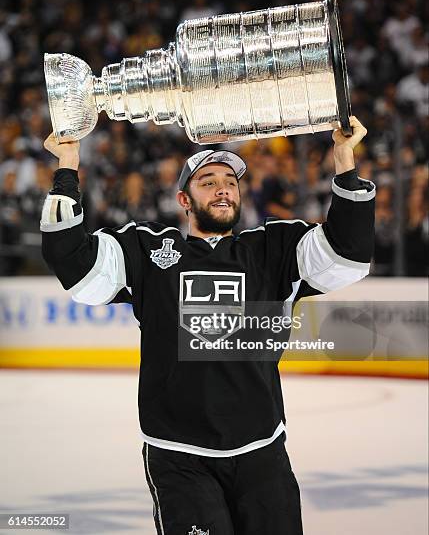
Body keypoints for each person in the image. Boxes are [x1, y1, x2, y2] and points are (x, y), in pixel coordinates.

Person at [41, 116, 375, 535]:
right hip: (179, 458)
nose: (222, 188)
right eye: (208, 181)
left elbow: (348, 255)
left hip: (261, 452)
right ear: (184, 199)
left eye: (230, 182)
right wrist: (67, 168)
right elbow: (74, 263)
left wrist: (345, 161)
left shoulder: (273, 250)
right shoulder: (149, 252)